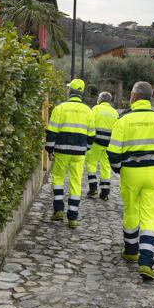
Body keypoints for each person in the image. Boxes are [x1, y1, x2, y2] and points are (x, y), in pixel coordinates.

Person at [107, 81, 154, 281]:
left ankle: (131, 251)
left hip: (130, 173)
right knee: (151, 216)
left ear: (134, 96)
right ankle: (146, 261)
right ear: (149, 97)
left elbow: (113, 153)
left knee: (131, 210)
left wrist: (119, 170)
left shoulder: (123, 121)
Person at [45, 79, 95, 228]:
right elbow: (91, 135)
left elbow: (52, 131)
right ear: (82, 92)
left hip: (61, 151)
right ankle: (73, 218)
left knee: (58, 178)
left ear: (69, 91)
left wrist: (49, 149)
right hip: (79, 153)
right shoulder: (88, 111)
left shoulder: (60, 108)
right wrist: (86, 148)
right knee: (76, 183)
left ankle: (58, 210)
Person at [85, 91, 120, 201]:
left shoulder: (95, 109)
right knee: (106, 166)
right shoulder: (115, 113)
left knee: (92, 163)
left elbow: (89, 124)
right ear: (110, 101)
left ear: (100, 100)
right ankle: (105, 193)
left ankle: (93, 188)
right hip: (108, 144)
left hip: (96, 142)